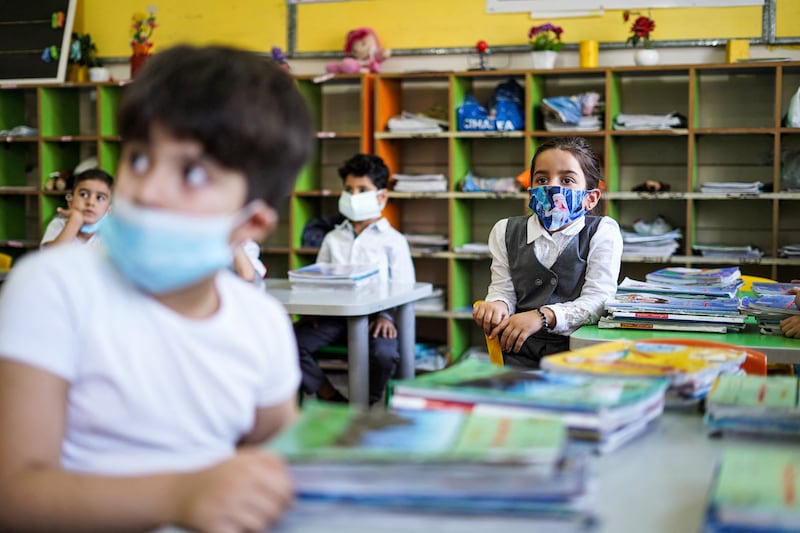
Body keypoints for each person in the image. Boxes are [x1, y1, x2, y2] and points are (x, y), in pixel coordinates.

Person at [0, 44, 312, 533]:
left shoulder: (260, 322)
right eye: (140, 159)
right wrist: (180, 496)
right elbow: (12, 495)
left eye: (191, 173)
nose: (145, 189)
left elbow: (278, 458)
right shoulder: (52, 288)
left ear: (249, 222)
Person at [473, 137, 623, 368]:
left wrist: (543, 316)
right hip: (518, 351)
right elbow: (502, 291)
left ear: (590, 198)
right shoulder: (505, 230)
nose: (552, 187)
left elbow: (600, 300)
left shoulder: (603, 231)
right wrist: (497, 306)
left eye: (567, 180)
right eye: (542, 179)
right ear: (531, 190)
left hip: (580, 354)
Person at [295, 153, 415, 404]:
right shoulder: (332, 238)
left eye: (363, 189)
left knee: (385, 355)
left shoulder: (393, 241)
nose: (353, 196)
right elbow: (319, 279)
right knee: (288, 342)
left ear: (381, 196)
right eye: (349, 189)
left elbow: (405, 289)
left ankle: (365, 403)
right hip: (333, 318)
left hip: (375, 320)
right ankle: (328, 394)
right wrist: (312, 310)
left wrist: (386, 316)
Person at [40, 168, 114, 248]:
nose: (90, 202)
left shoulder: (112, 233)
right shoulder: (59, 224)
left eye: (100, 198)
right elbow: (50, 257)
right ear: (70, 202)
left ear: (109, 209)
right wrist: (74, 222)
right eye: (83, 195)